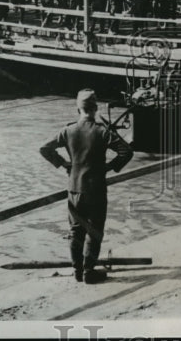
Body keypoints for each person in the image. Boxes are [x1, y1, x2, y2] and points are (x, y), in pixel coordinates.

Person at [40, 90, 133, 284]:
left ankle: (77, 270)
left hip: (74, 188)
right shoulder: (102, 131)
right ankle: (89, 271)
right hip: (96, 188)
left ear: (78, 109)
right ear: (96, 108)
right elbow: (127, 151)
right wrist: (108, 167)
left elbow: (45, 149)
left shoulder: (68, 130)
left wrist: (64, 164)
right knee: (94, 230)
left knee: (76, 230)